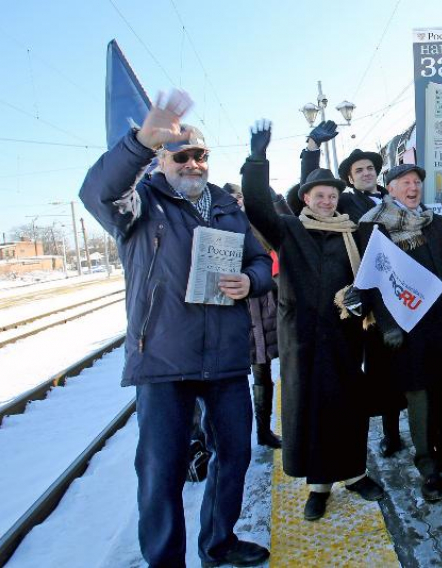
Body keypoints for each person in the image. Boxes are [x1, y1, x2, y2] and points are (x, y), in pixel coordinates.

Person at [79, 90, 271, 568]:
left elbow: (259, 260)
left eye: (200, 155)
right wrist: (140, 142)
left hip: (225, 354)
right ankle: (165, 560)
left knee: (234, 456)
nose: (192, 163)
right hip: (164, 357)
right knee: (161, 471)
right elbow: (97, 192)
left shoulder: (227, 206)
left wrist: (251, 281)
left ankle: (218, 542)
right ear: (162, 160)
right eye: (181, 155)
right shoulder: (141, 203)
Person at [241, 121, 384, 521]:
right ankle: (319, 487)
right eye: (319, 195)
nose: (326, 200)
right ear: (306, 198)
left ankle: (355, 474)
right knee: (310, 409)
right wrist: (257, 158)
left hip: (344, 333)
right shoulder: (289, 229)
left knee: (348, 407)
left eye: (332, 195)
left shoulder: (351, 232)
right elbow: (254, 204)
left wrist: (362, 299)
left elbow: (372, 273)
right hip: (301, 337)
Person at [358, 164, 442, 502]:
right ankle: (428, 465)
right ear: (391, 188)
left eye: (417, 182)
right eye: (405, 183)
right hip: (410, 328)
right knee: (421, 397)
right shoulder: (376, 226)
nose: (413, 188)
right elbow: (372, 279)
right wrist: (387, 324)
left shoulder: (437, 222)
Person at [302, 130, 406, 458]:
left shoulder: (395, 199)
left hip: (403, 289)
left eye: (370, 168)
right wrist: (312, 149)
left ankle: (423, 424)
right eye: (358, 170)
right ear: (349, 178)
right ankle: (390, 432)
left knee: (411, 362)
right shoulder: (345, 202)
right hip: (370, 298)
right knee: (381, 369)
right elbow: (312, 190)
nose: (366, 173)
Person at [223, 182, 287, 448]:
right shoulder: (220, 228)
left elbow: (280, 243)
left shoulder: (259, 226)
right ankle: (244, 434)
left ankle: (265, 431)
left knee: (268, 372)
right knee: (240, 378)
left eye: (240, 196)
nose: (237, 201)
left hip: (269, 306)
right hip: (240, 312)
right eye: (232, 198)